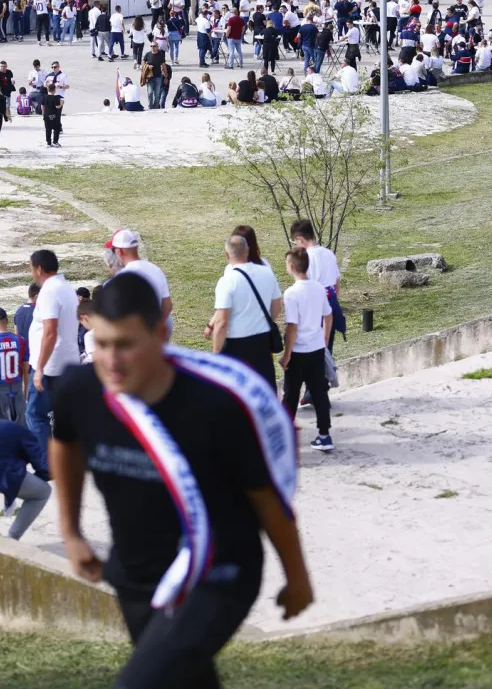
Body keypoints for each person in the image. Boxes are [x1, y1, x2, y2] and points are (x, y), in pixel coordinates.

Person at [50, 273, 311, 689]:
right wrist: (70, 531)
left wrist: (297, 578)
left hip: (218, 573)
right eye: (102, 344)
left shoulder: (217, 404)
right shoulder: (78, 390)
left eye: (126, 345)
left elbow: (267, 500)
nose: (111, 360)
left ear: (159, 334)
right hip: (137, 577)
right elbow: (64, 444)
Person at [26, 249, 80, 473]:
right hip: (68, 359)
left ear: (39, 269)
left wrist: (39, 368)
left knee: (35, 414)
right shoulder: (67, 288)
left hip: (50, 365)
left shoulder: (49, 291)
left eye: (31, 268)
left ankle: (47, 466)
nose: (31, 273)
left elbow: (50, 331)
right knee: (63, 415)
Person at [206, 235, 281, 389]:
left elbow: (221, 321)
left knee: (238, 394)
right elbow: (277, 306)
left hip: (236, 345)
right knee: (265, 390)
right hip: (262, 341)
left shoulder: (227, 281)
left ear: (227, 255)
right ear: (247, 251)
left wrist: (216, 353)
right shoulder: (266, 273)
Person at [280, 248, 334, 451]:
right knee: (319, 392)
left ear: (292, 267)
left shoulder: (291, 293)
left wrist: (286, 355)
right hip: (317, 349)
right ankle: (324, 435)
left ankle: (286, 437)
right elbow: (328, 315)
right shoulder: (319, 288)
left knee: (291, 393)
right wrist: (324, 339)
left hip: (298, 352)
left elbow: (292, 327)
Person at [107, 228, 173, 323]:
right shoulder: (156, 269)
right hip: (155, 333)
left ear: (119, 251)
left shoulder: (122, 277)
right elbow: (167, 306)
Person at [41, 81, 63, 147]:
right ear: (54, 90)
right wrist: (62, 103)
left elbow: (42, 105)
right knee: (56, 128)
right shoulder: (56, 98)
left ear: (48, 89)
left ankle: (48, 143)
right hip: (54, 115)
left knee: (48, 129)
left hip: (46, 115)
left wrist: (43, 113)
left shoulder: (45, 97)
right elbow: (57, 106)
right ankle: (55, 142)